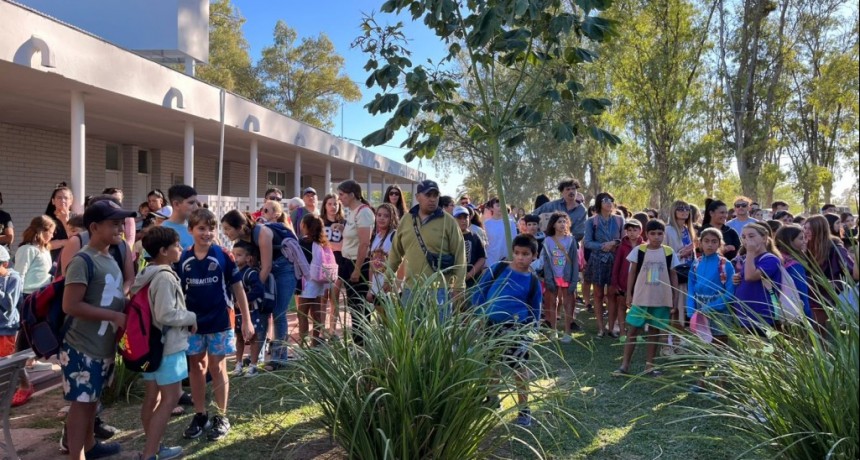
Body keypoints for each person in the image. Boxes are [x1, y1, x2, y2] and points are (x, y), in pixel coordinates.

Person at [61, 200, 135, 460]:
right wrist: (115, 315)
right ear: (94, 227)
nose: (120, 228)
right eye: (114, 224)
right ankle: (76, 455)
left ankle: (90, 447)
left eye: (121, 223)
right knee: (81, 405)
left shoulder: (109, 256)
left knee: (92, 402)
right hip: (82, 347)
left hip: (101, 345)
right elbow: (70, 305)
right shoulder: (83, 260)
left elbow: (112, 293)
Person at [179, 208, 253, 441]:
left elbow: (238, 288)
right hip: (193, 324)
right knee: (196, 368)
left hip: (220, 320)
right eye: (201, 228)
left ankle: (222, 416)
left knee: (217, 367)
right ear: (190, 230)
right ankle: (200, 414)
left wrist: (247, 320)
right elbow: (179, 292)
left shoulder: (223, 255)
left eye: (211, 228)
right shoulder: (183, 258)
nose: (207, 233)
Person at [131, 226, 197, 460]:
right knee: (171, 398)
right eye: (176, 246)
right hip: (167, 346)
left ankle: (153, 448)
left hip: (151, 345)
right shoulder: (165, 277)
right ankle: (150, 453)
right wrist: (191, 317)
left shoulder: (146, 272)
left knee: (153, 397)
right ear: (163, 251)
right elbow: (166, 314)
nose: (180, 249)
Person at [471, 234, 542, 427]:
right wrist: (479, 314)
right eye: (517, 253)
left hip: (517, 328)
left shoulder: (533, 281)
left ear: (534, 255)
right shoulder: (498, 269)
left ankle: (524, 409)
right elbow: (480, 291)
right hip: (491, 324)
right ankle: (493, 398)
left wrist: (532, 331)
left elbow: (536, 309)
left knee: (519, 368)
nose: (520, 257)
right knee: (491, 364)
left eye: (526, 254)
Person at [220, 209, 297, 370]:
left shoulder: (262, 233)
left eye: (227, 229)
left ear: (240, 226)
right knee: (261, 311)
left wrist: (255, 290)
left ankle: (279, 358)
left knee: (278, 312)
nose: (225, 233)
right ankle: (257, 356)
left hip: (283, 269)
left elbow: (267, 265)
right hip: (264, 271)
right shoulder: (242, 241)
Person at [387, 179, 466, 321]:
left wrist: (459, 287)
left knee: (439, 338)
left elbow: (460, 255)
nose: (432, 199)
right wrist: (388, 277)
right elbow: (395, 253)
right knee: (411, 336)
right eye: (428, 195)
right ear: (418, 197)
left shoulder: (448, 221)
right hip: (411, 289)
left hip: (440, 290)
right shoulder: (406, 220)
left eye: (435, 195)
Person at [614, 219, 681, 377]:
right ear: (646, 234)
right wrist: (629, 293)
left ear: (664, 234)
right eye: (653, 234)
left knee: (654, 332)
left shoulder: (669, 252)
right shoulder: (640, 250)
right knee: (633, 330)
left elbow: (674, 276)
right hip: (641, 297)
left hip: (661, 299)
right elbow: (632, 273)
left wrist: (675, 297)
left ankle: (650, 366)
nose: (656, 237)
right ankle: (624, 365)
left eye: (660, 233)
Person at [10, 216, 56, 405]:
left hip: (42, 294)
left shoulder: (43, 249)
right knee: (26, 332)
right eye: (50, 232)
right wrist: (17, 300)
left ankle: (31, 360)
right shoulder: (26, 249)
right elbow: (20, 274)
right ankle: (24, 362)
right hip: (28, 295)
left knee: (37, 330)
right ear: (41, 231)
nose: (52, 235)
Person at [685, 228, 735, 360]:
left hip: (720, 309)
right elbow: (691, 287)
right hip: (699, 309)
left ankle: (720, 379)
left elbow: (730, 292)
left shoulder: (725, 264)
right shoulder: (696, 263)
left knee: (721, 346)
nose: (710, 245)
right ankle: (701, 379)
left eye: (714, 241)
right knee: (702, 345)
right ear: (700, 243)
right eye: (706, 241)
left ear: (719, 244)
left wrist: (711, 307)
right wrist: (691, 308)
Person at [337, 180, 375, 345]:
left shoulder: (364, 212)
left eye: (342, 194)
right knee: (353, 306)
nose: (340, 198)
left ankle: (362, 343)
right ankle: (358, 342)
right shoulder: (352, 211)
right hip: (347, 261)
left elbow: (364, 243)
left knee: (359, 306)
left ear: (352, 194)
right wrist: (343, 228)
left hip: (357, 263)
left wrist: (357, 269)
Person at [583, 192, 624, 338]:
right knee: (599, 294)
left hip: (615, 261)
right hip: (598, 261)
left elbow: (623, 238)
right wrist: (602, 246)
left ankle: (612, 327)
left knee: (612, 294)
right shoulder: (591, 221)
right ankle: (600, 328)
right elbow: (587, 242)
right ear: (599, 203)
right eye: (605, 200)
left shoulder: (619, 220)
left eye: (611, 200)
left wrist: (614, 243)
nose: (608, 203)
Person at [803, 215, 855, 330]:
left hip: (829, 299)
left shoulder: (835, 249)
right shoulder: (807, 247)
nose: (806, 232)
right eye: (805, 228)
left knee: (822, 333)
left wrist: (834, 284)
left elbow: (852, 274)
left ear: (820, 230)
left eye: (810, 229)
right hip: (811, 296)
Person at [731, 223, 783, 333]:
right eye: (744, 237)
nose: (747, 241)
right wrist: (737, 278)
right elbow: (746, 278)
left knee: (762, 347)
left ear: (764, 238)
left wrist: (750, 251)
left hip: (761, 314)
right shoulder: (748, 260)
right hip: (745, 313)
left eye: (751, 236)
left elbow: (750, 277)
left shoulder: (771, 259)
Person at [663, 200, 697, 353]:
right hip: (673, 275)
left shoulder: (689, 230)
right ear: (674, 211)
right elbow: (662, 254)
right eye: (680, 209)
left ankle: (679, 342)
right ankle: (667, 344)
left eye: (687, 209)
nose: (684, 211)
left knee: (683, 309)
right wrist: (681, 253)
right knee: (673, 309)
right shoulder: (667, 230)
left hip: (688, 275)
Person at [540, 212, 579, 342]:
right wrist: (548, 277)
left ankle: (567, 332)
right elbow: (546, 260)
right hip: (553, 275)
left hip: (566, 276)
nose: (562, 224)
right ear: (553, 224)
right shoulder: (548, 241)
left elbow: (574, 260)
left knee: (568, 303)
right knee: (552, 302)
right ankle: (553, 330)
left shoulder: (571, 240)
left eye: (564, 221)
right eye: (559, 222)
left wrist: (574, 279)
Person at [230, 241, 267, 376]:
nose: (235, 258)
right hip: (237, 313)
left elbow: (259, 290)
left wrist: (244, 300)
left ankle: (253, 365)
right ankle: (238, 364)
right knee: (239, 337)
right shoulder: (232, 273)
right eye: (233, 254)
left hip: (252, 311)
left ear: (248, 258)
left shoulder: (250, 273)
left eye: (239, 255)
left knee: (253, 337)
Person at [298, 214, 331, 347]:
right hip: (320, 282)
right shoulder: (322, 243)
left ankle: (302, 343)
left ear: (305, 226)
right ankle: (315, 342)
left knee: (302, 313)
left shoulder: (302, 242)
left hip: (307, 282)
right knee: (317, 313)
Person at [609, 219, 643, 340]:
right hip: (623, 282)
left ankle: (636, 333)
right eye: (629, 230)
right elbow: (616, 265)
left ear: (640, 231)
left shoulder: (644, 247)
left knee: (638, 309)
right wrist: (615, 282)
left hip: (639, 283)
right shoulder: (622, 247)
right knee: (622, 306)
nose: (632, 233)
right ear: (626, 232)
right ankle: (623, 332)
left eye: (635, 230)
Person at [773, 225, 812, 319]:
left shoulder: (775, 258)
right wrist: (808, 317)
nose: (804, 241)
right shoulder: (794, 265)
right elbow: (802, 294)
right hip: (795, 313)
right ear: (789, 241)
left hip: (777, 310)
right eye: (801, 238)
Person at [320, 194, 346, 337]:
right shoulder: (320, 222)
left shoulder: (344, 223)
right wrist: (333, 246)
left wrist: (328, 245)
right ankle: (322, 331)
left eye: (335, 204)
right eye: (329, 204)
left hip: (338, 264)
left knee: (334, 298)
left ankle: (332, 330)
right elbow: (317, 244)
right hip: (322, 265)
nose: (333, 207)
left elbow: (344, 246)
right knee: (323, 298)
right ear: (325, 205)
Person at [531, 179, 587, 243]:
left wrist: (564, 240)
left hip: (570, 245)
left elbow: (579, 233)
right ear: (562, 192)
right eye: (568, 189)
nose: (571, 191)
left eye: (573, 189)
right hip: (550, 244)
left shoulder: (582, 210)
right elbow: (532, 215)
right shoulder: (552, 205)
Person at [366, 204, 399, 306]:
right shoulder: (376, 236)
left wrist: (395, 285)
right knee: (380, 319)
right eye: (379, 215)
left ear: (392, 218)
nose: (381, 218)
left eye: (386, 216)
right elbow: (371, 264)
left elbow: (401, 262)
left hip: (390, 287)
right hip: (376, 287)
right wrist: (370, 288)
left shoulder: (394, 235)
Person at [454, 206, 486, 290]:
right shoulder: (450, 237)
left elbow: (482, 258)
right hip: (453, 282)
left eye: (466, 217)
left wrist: (469, 274)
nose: (463, 220)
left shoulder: (475, 237)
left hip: (472, 282)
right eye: (459, 218)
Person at [161, 185, 198, 250]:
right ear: (176, 204)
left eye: (196, 203)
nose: (196, 207)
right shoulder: (162, 231)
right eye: (191, 203)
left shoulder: (196, 227)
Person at [45, 182, 76, 263]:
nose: (62, 201)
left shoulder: (77, 218)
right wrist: (64, 242)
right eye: (59, 198)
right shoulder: (46, 219)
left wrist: (65, 220)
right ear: (53, 201)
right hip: (52, 262)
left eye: (66, 198)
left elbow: (77, 241)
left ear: (71, 201)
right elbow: (43, 244)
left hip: (72, 260)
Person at [484, 197, 518, 265]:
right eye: (498, 205)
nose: (500, 207)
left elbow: (514, 241)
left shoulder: (510, 223)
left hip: (507, 261)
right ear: (491, 208)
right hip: (490, 262)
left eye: (502, 205)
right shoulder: (486, 224)